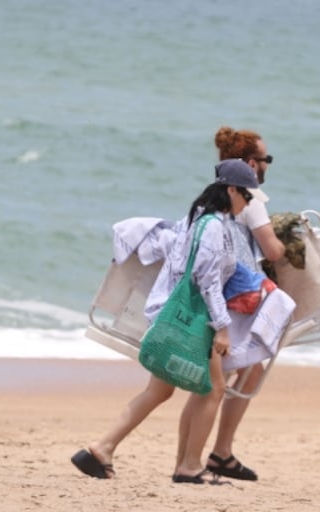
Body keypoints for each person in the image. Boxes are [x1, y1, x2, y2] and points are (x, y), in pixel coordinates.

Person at [71, 159, 263, 483]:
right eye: (247, 195)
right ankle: (187, 466)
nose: (249, 202)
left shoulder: (197, 217)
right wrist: (222, 327)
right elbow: (207, 280)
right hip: (192, 319)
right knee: (213, 389)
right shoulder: (214, 226)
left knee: (160, 391)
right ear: (231, 190)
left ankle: (101, 449)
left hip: (170, 314)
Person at [204, 126, 286, 481]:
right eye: (266, 159)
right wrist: (284, 246)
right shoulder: (251, 200)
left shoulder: (216, 197)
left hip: (220, 292)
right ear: (252, 163)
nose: (267, 165)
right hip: (238, 298)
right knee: (245, 367)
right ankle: (216, 453)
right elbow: (271, 251)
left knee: (242, 368)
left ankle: (219, 452)